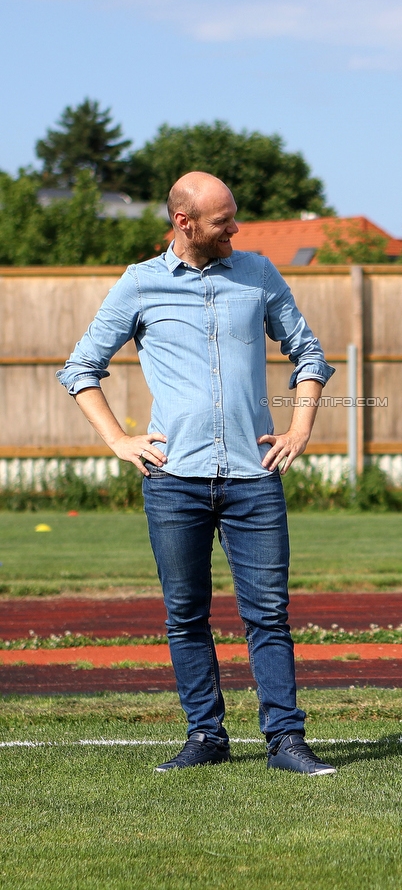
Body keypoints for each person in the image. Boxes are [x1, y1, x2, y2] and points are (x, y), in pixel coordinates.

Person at [57, 171, 337, 776]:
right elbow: (80, 369)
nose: (234, 229)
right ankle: (205, 736)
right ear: (185, 224)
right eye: (221, 222)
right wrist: (119, 440)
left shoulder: (259, 272)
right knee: (185, 614)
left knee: (269, 615)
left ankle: (285, 741)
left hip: (254, 478)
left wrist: (300, 429)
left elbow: (309, 353)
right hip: (173, 480)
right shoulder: (140, 284)